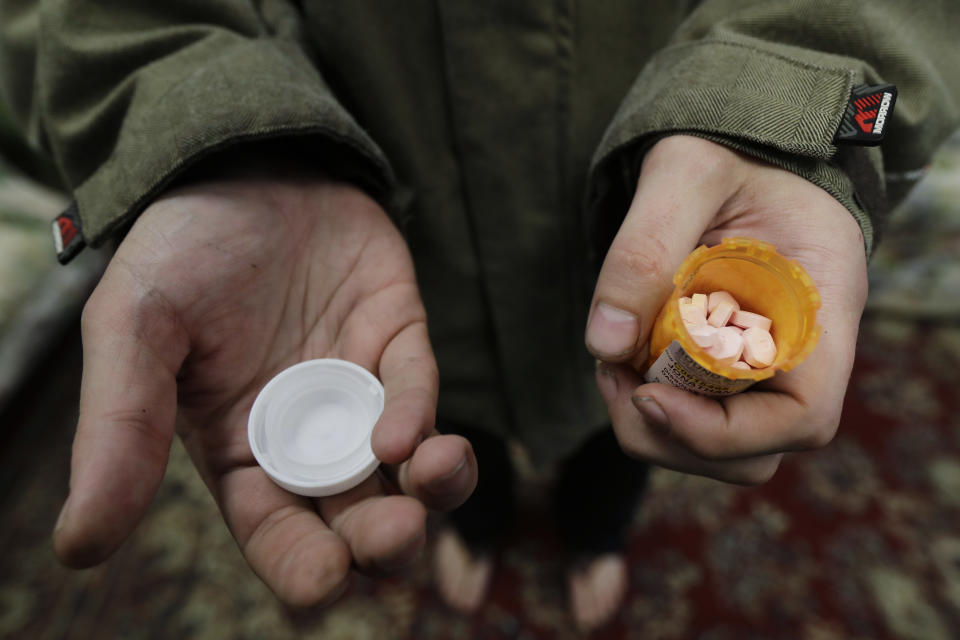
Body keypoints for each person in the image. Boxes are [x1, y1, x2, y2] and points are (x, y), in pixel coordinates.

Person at [1, 0, 957, 632]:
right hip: (393, 263)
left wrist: (785, 106)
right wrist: (204, 129)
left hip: (642, 211)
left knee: (623, 438)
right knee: (450, 448)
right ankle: (482, 524)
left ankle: (594, 536)